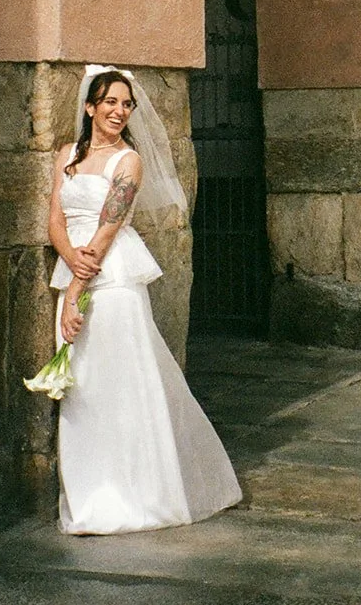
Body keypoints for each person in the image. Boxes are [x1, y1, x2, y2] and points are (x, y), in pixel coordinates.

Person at [46, 62, 242, 533]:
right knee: (86, 392)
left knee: (121, 386)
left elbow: (108, 228)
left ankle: (137, 495)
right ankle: (90, 495)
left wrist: (77, 290)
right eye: (110, 101)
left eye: (126, 104)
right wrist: (70, 264)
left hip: (110, 281)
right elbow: (55, 218)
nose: (119, 111)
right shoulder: (66, 155)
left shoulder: (128, 162)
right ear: (90, 106)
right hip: (74, 268)